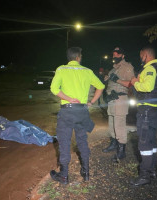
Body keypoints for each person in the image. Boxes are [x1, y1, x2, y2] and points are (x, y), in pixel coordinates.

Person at [49, 47, 105, 184]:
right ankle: (86, 173)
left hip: (67, 112)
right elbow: (101, 86)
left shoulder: (61, 69)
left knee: (64, 143)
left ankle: (64, 176)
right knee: (82, 141)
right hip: (82, 112)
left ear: (69, 58)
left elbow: (54, 89)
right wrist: (91, 102)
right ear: (78, 57)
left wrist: (68, 98)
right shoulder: (87, 71)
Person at [129, 46, 157, 187]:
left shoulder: (149, 69)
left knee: (144, 145)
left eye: (141, 56)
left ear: (146, 55)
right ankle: (152, 170)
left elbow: (146, 87)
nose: (140, 58)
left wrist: (135, 81)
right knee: (151, 143)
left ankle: (145, 176)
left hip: (146, 112)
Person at [102, 47, 135, 163]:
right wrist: (106, 81)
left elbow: (131, 84)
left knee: (119, 125)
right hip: (111, 100)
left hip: (120, 99)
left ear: (123, 55)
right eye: (114, 54)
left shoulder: (127, 67)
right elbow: (109, 82)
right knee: (111, 124)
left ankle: (122, 151)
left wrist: (117, 80)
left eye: (117, 54)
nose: (115, 56)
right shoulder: (112, 70)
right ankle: (113, 144)